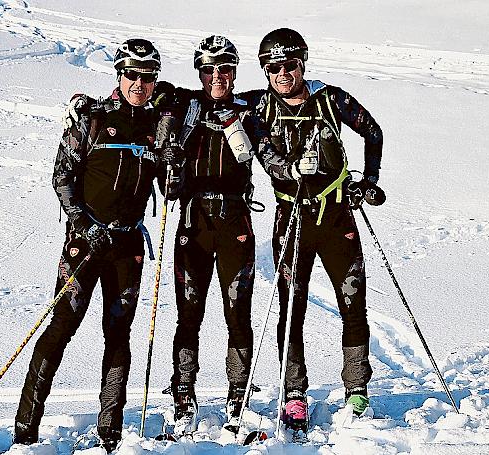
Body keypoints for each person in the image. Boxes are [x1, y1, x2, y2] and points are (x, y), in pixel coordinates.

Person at [13, 38, 163, 452]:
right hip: (85, 243)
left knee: (119, 334)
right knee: (61, 327)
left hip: (128, 245)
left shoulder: (155, 127)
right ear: (120, 74)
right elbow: (61, 175)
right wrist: (82, 224)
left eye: (147, 77)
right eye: (132, 74)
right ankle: (26, 428)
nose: (139, 83)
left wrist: (173, 164)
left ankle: (111, 430)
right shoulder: (91, 117)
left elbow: (168, 185)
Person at [247, 27, 384, 432]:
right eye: (274, 67)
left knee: (352, 303)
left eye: (290, 65)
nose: (283, 74)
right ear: (265, 70)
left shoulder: (330, 97)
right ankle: (294, 396)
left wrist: (369, 181)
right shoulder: (258, 107)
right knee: (291, 311)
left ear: (302, 62)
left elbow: (372, 131)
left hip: (337, 216)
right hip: (291, 218)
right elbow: (207, 103)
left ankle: (357, 392)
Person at [154, 35, 285, 435]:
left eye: (224, 69)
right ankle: (183, 392)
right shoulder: (185, 103)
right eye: (208, 69)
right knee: (188, 314)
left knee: (237, 313)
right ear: (199, 71)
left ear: (234, 71)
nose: (216, 77)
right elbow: (146, 93)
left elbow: (289, 105)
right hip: (193, 224)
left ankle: (238, 392)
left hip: (235, 224)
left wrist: (300, 176)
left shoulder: (249, 108)